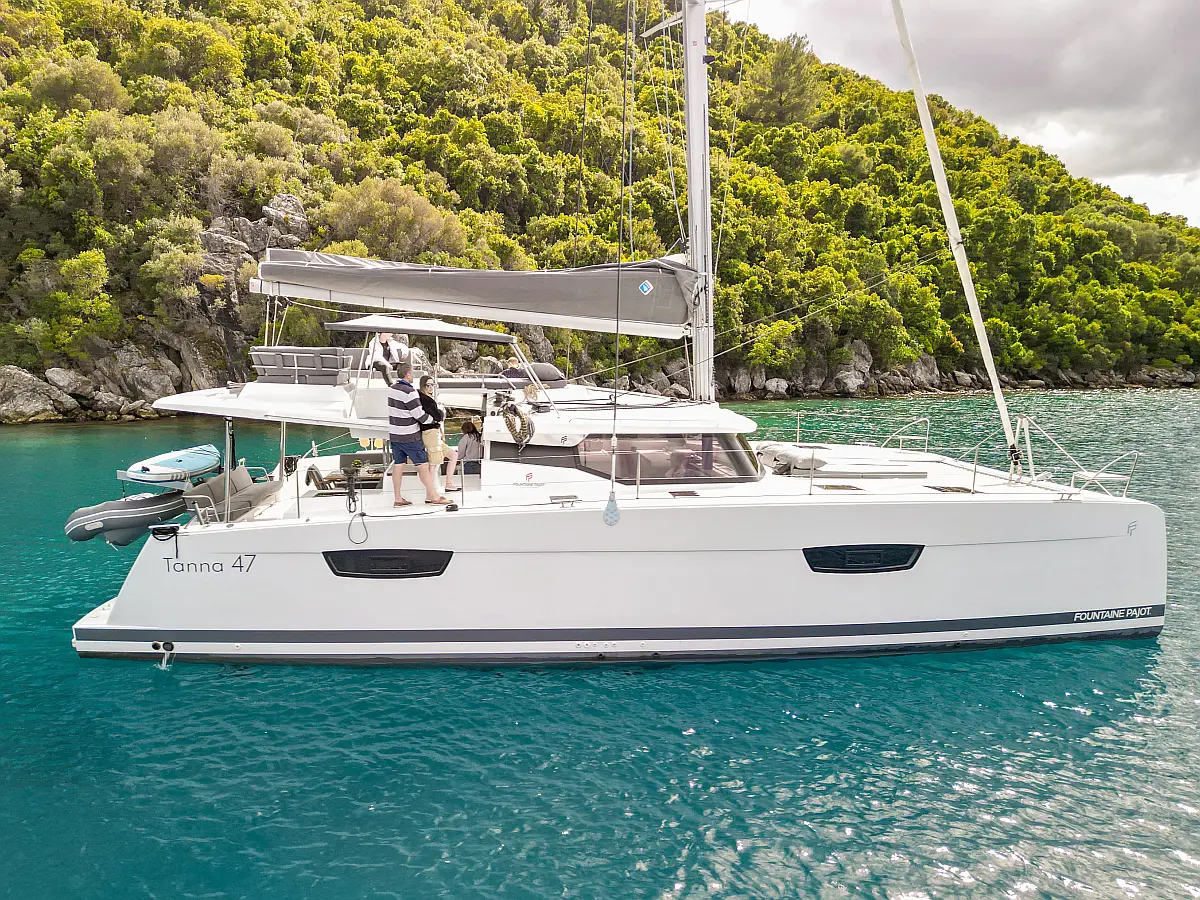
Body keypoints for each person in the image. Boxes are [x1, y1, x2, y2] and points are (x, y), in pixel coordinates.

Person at [388, 360, 448, 506]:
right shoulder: (410, 392)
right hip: (410, 436)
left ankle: (397, 498)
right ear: (408, 374)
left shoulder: (392, 389)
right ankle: (433, 496)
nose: (413, 376)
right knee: (423, 465)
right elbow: (419, 415)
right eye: (412, 373)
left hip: (395, 435)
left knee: (398, 465)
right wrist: (435, 419)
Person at [417, 375, 460, 491]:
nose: (431, 387)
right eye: (428, 385)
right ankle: (431, 492)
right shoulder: (425, 400)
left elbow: (437, 417)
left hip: (434, 433)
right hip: (430, 433)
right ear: (423, 386)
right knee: (434, 464)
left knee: (453, 455)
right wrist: (440, 412)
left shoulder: (427, 399)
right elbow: (438, 416)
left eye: (432, 385)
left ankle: (448, 484)